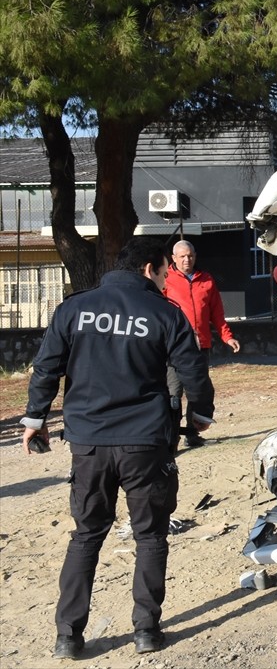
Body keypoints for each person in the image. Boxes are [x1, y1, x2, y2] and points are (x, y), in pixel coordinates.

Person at [21, 237, 215, 659]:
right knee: (150, 536)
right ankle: (146, 630)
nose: (167, 280)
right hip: (146, 444)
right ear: (149, 268)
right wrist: (201, 413)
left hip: (89, 444)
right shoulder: (165, 314)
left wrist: (35, 419)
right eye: (166, 272)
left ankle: (68, 637)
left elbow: (46, 367)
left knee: (86, 535)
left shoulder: (74, 308)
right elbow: (192, 371)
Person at [163, 240, 239, 448]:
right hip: (174, 348)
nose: (187, 260)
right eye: (182, 256)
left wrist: (227, 336)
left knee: (198, 392)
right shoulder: (166, 280)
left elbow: (217, 313)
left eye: (190, 256)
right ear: (174, 258)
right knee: (173, 392)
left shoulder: (206, 280)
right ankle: (170, 436)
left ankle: (192, 434)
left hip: (200, 346)